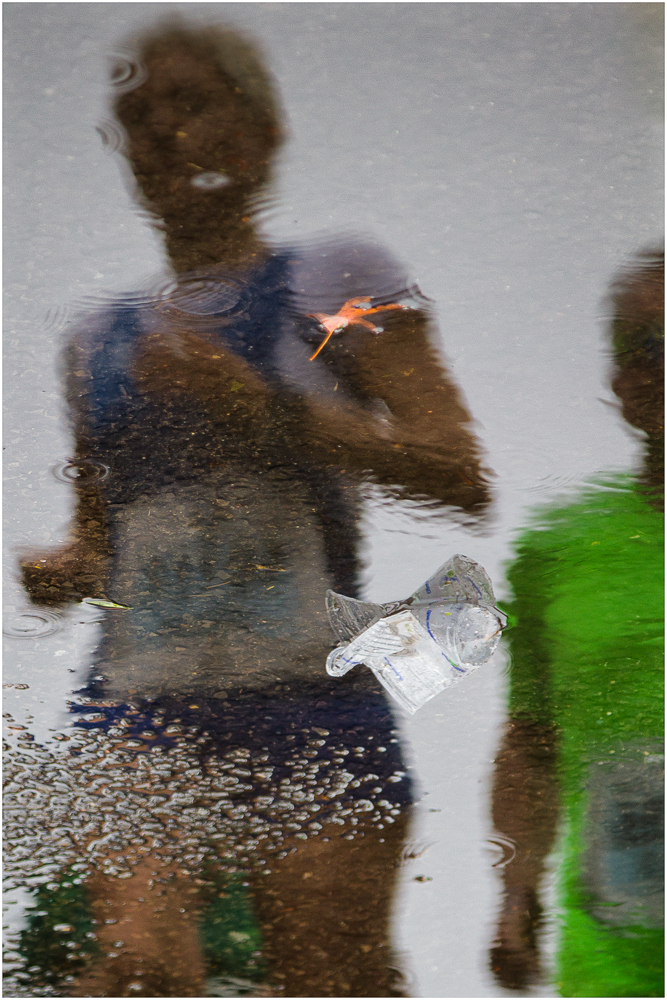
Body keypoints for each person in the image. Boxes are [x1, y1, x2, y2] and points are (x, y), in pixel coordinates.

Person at [11, 23, 490, 998]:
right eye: (136, 117)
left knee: (330, 982)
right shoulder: (99, 342)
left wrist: (270, 413)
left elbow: (457, 471)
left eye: (187, 104)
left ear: (262, 132)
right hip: (141, 714)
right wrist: (63, 571)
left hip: (310, 710)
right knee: (138, 968)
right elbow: (102, 549)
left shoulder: (335, 283)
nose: (159, 132)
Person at [490, 251, 664, 997]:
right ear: (623, 385)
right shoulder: (559, 548)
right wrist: (515, 891)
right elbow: (530, 742)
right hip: (612, 959)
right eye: (647, 347)